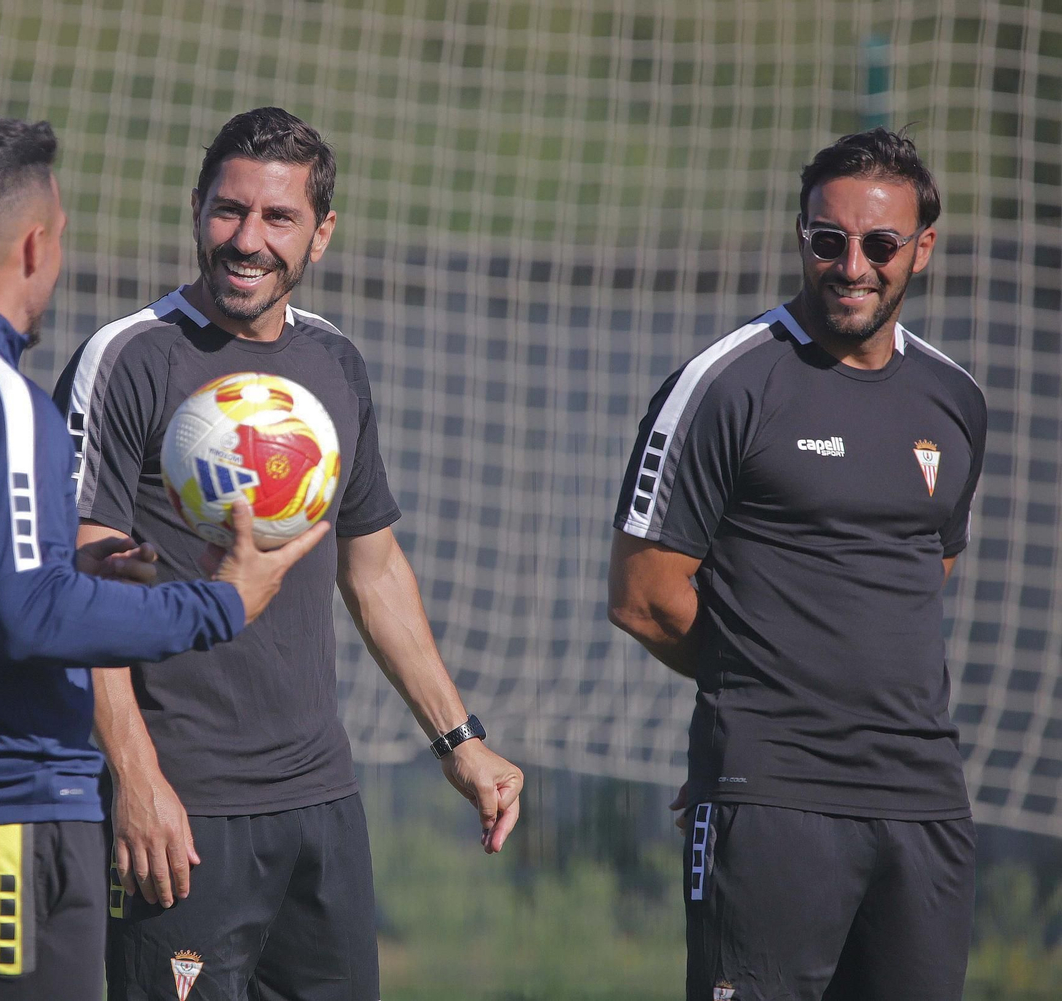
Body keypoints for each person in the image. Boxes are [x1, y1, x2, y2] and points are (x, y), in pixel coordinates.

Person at [0, 113, 328, 1001]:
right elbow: (25, 611)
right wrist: (220, 601)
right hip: (0, 816)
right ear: (37, 245)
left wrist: (86, 586)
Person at [53, 107, 525, 1001]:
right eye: (229, 211)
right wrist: (137, 779)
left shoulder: (334, 362)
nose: (247, 241)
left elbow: (372, 566)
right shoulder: (127, 359)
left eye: (278, 218)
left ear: (321, 233)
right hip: (184, 812)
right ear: (196, 208)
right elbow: (84, 590)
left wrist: (460, 741)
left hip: (319, 805)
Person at [608, 128, 986, 1001]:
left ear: (922, 248)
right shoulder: (726, 384)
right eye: (829, 240)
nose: (852, 265)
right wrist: (758, 707)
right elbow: (644, 597)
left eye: (880, 244)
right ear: (802, 237)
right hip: (771, 800)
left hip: (924, 806)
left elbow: (927, 571)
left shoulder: (955, 400)